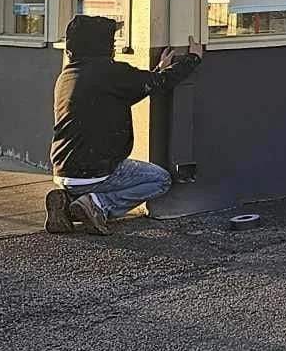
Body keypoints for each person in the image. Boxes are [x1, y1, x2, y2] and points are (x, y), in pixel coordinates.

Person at [47, 16, 204, 235]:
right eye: (111, 42)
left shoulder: (67, 76)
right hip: (96, 170)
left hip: (63, 170)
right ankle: (98, 204)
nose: (113, 46)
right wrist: (193, 58)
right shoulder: (112, 73)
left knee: (91, 181)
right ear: (102, 45)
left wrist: (158, 70)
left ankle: (66, 203)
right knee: (160, 180)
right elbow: (159, 84)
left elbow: (130, 91)